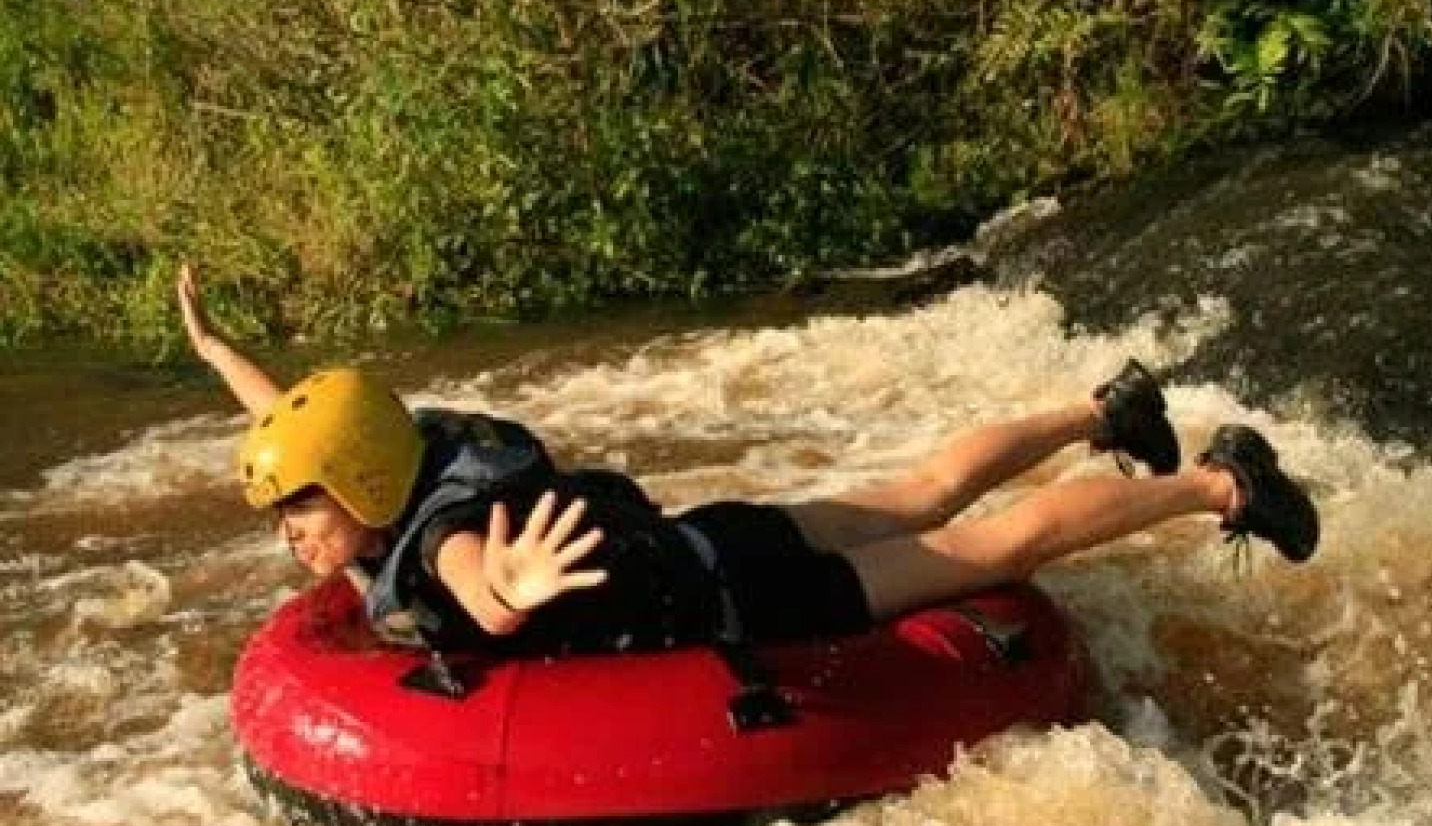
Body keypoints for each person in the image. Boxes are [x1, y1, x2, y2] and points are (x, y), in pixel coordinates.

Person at [177, 263, 1318, 656]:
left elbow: (480, 584)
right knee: (919, 487)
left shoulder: (445, 541)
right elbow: (305, 423)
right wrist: (219, 352)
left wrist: (508, 603)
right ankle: (1103, 409)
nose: (289, 533)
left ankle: (1221, 482)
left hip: (749, 590)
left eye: (294, 513)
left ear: (365, 491)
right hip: (705, 531)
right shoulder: (397, 457)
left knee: (983, 543)